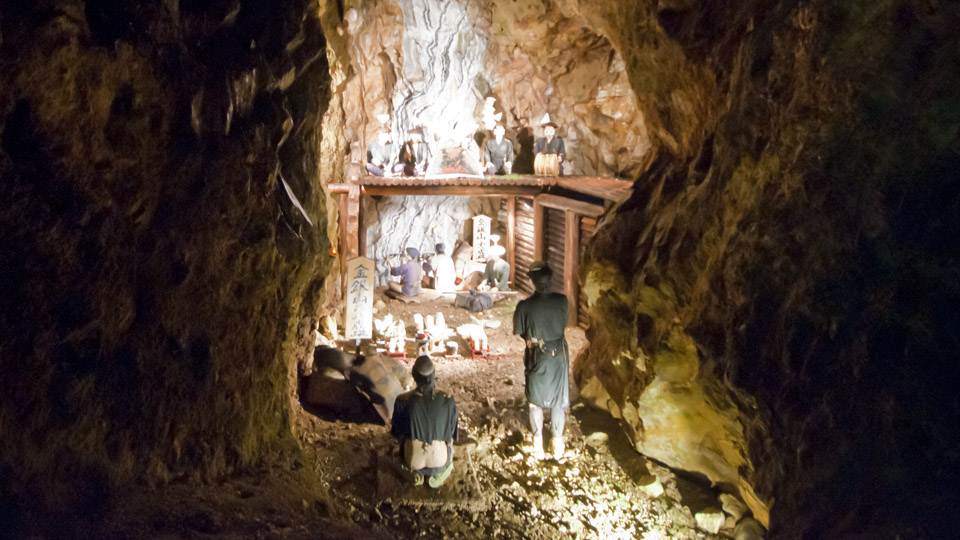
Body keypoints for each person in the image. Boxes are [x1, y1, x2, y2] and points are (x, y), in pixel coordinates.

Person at [512, 261, 569, 459]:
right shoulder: (562, 301)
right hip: (559, 354)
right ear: (550, 279)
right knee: (557, 401)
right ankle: (557, 444)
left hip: (537, 354)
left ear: (532, 282)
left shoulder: (524, 306)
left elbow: (520, 332)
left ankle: (538, 445)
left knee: (535, 401)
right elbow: (563, 323)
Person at [391, 355, 458, 487]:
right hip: (440, 461)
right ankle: (438, 474)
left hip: (412, 461)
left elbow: (397, 434)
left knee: (399, 451)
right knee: (450, 448)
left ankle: (414, 476)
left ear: (414, 376)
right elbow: (452, 435)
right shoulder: (448, 400)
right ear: (433, 375)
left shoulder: (402, 400)